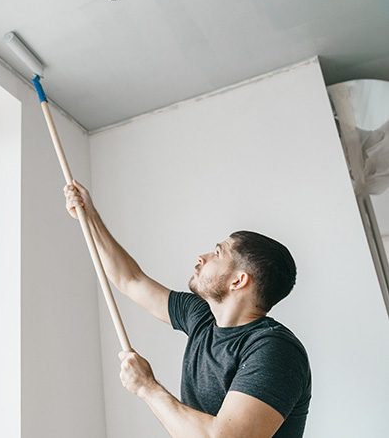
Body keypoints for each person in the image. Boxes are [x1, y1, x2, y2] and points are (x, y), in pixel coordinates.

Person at [64, 180, 311, 438]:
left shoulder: (274, 350)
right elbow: (130, 279)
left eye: (217, 253)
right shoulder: (201, 317)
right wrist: (89, 216)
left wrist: (147, 387)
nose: (202, 257)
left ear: (238, 280)